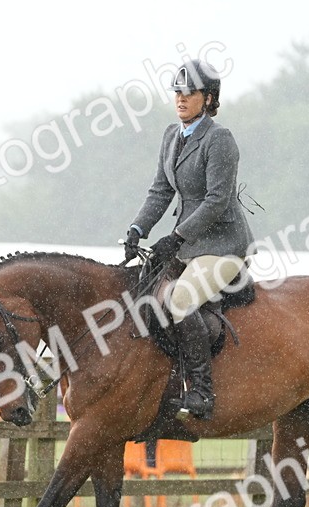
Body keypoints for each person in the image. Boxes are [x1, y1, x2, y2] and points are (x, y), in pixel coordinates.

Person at [124, 59, 253, 421]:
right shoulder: (171, 135)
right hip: (188, 245)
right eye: (177, 92)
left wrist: (176, 236)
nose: (180, 98)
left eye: (189, 93)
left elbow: (216, 201)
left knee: (180, 299)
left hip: (223, 246)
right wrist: (137, 229)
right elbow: (160, 190)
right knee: (143, 291)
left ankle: (201, 390)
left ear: (208, 98)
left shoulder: (219, 139)